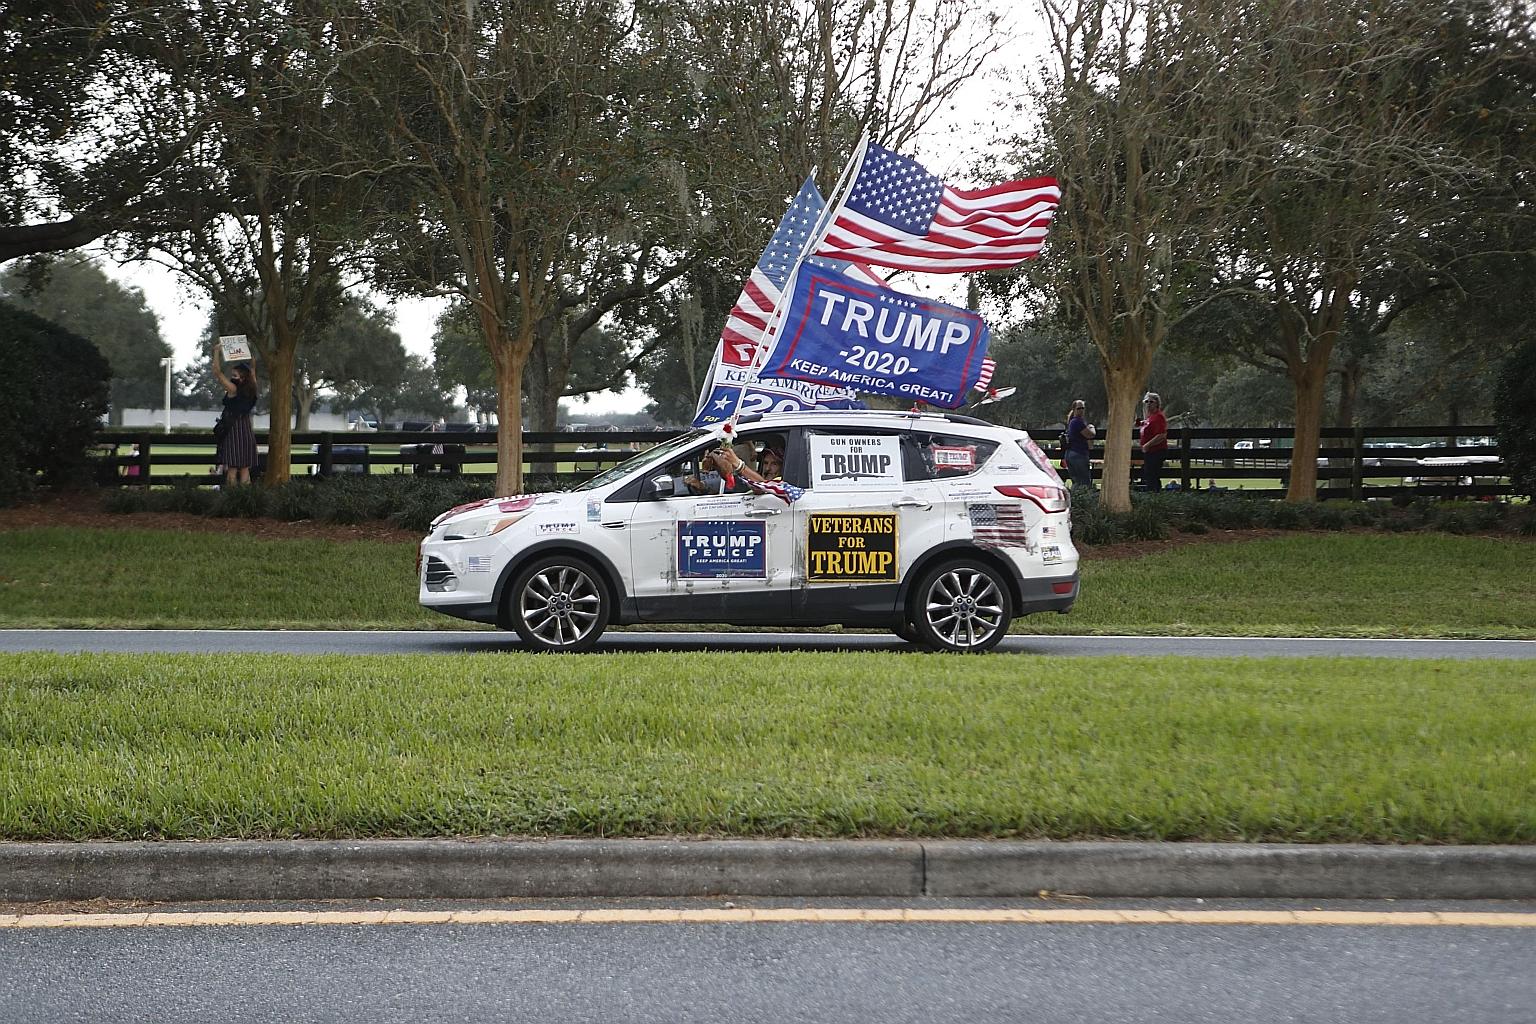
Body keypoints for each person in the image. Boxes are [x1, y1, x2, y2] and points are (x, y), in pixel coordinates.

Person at [212, 342, 259, 486]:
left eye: (234, 375)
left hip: (232, 428)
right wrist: (251, 357)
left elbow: (217, 372)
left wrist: (216, 352)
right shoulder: (252, 389)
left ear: (242, 378)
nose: (232, 376)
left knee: (232, 468)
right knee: (245, 468)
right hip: (245, 427)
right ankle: (245, 498)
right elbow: (253, 370)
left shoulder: (233, 389)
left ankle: (232, 500)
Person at [1138, 391, 1169, 493]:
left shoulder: (1158, 416)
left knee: (1152, 476)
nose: (1148, 404)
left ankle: (1154, 496)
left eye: (1151, 401)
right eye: (1146, 401)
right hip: (1148, 452)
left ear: (1157, 403)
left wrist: (1148, 444)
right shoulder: (1149, 417)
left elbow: (1161, 435)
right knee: (1149, 475)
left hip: (1156, 451)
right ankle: (1153, 496)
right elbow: (1146, 426)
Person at [1063, 399, 1096, 490]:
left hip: (1071, 454)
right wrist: (1091, 427)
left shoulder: (1072, 422)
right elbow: (1090, 434)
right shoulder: (1077, 422)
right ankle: (1084, 500)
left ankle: (1075, 500)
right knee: (1084, 482)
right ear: (1074, 409)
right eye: (1079, 408)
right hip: (1078, 454)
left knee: (1076, 482)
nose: (1081, 410)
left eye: (1083, 408)